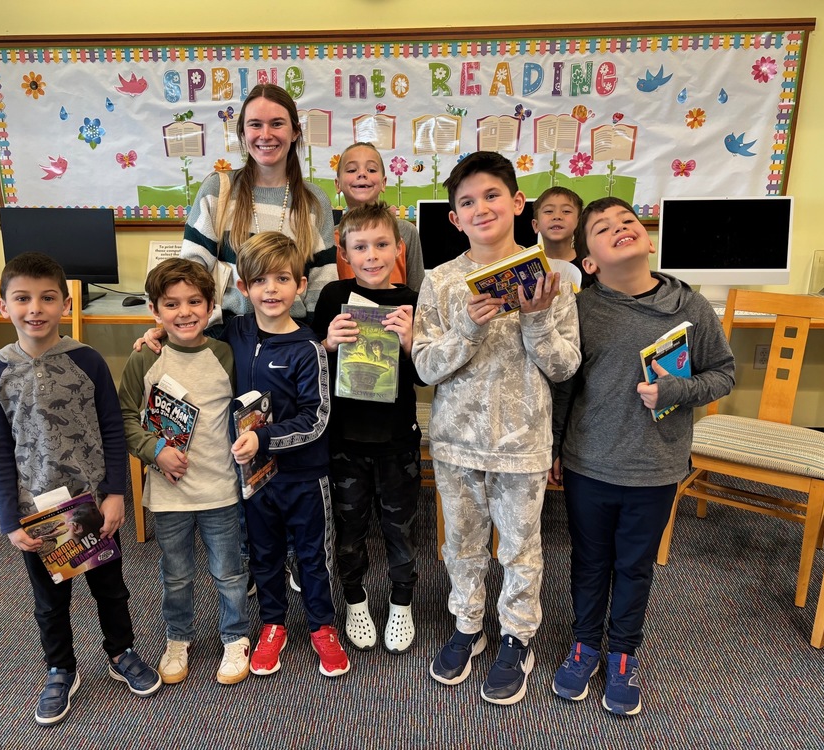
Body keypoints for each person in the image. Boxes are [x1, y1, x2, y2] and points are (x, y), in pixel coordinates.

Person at [549, 197, 734, 715]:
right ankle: (586, 643)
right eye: (602, 228)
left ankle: (624, 652)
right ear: (589, 261)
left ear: (648, 238)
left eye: (627, 221)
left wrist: (678, 390)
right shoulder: (581, 309)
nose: (619, 229)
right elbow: (565, 387)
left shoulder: (691, 307)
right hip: (589, 461)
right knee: (589, 561)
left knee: (634, 566)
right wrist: (555, 449)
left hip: (656, 466)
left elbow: (723, 373)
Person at [411, 151, 580, 705]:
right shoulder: (440, 281)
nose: (480, 208)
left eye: (491, 196)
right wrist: (465, 328)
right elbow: (427, 367)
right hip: (456, 440)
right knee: (460, 544)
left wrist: (534, 319)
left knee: (521, 547)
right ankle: (468, 624)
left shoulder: (551, 279)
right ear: (454, 218)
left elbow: (563, 366)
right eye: (466, 202)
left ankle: (517, 635)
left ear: (517, 203)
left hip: (523, 442)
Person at [0, 252, 161, 727]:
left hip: (94, 504)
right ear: (4, 306)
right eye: (22, 298)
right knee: (50, 600)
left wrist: (116, 492)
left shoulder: (87, 361)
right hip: (37, 512)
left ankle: (120, 653)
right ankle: (60, 667)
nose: (34, 308)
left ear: (64, 303)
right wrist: (8, 520)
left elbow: (112, 429)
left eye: (47, 298)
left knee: (110, 588)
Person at [118, 259, 250, 687]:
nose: (184, 312)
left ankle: (235, 637)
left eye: (195, 301)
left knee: (229, 572)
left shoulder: (224, 354)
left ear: (212, 305)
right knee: (176, 573)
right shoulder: (145, 358)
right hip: (169, 493)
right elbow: (123, 417)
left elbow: (245, 408)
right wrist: (155, 451)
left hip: (220, 488)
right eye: (171, 304)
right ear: (154, 312)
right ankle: (179, 638)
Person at [224, 230, 350, 678]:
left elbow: (316, 420)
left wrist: (266, 438)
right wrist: (158, 333)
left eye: (282, 279)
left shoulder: (308, 347)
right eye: (260, 281)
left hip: (304, 478)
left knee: (313, 555)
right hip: (255, 480)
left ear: (300, 284)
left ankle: (322, 626)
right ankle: (273, 625)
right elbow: (192, 334)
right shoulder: (234, 332)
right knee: (265, 555)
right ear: (244, 288)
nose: (271, 289)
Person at [312, 202, 422, 654]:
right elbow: (310, 368)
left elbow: (427, 376)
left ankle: (401, 602)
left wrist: (412, 342)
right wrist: (327, 344)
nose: (372, 255)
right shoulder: (332, 298)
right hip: (344, 441)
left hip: (398, 440)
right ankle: (355, 600)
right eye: (360, 247)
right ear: (345, 251)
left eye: (381, 245)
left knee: (401, 528)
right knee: (348, 527)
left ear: (398, 248)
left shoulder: (413, 300)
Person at [179, 82, 337, 330]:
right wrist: (174, 329)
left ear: (295, 131)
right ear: (242, 132)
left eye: (276, 123)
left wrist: (316, 344)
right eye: (255, 124)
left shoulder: (314, 201)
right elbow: (189, 274)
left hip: (292, 341)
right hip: (227, 339)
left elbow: (321, 286)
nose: (265, 135)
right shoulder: (217, 190)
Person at [333, 141, 425, 292]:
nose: (362, 174)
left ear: (383, 183)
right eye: (351, 170)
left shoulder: (406, 231)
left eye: (371, 169)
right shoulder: (329, 237)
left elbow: (418, 292)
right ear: (338, 184)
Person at [532, 186, 584, 290]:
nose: (557, 216)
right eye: (548, 211)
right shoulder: (528, 265)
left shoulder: (589, 263)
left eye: (566, 211)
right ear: (536, 225)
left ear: (579, 223)